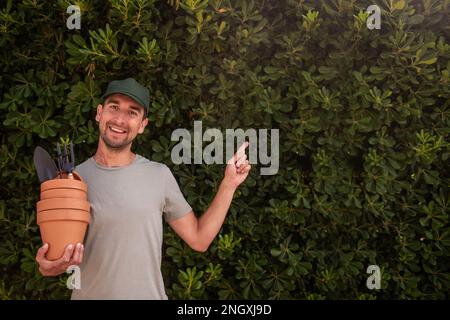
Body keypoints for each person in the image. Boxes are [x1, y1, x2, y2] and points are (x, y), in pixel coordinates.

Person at [35, 78, 251, 299]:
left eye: (132, 112)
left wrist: (228, 184)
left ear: (142, 125)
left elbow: (199, 239)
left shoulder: (159, 176)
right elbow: (54, 260)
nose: (119, 119)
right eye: (114, 107)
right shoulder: (72, 182)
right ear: (99, 113)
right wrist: (49, 266)